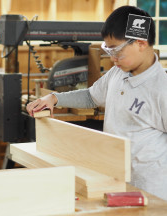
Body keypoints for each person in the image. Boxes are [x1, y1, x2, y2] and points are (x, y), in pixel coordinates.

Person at [27, 5, 167, 201]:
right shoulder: (117, 73)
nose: (112, 58)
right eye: (108, 50)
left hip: (151, 191)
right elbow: (91, 97)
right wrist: (55, 98)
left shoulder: (162, 89)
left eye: (117, 51)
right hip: (115, 180)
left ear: (141, 43)